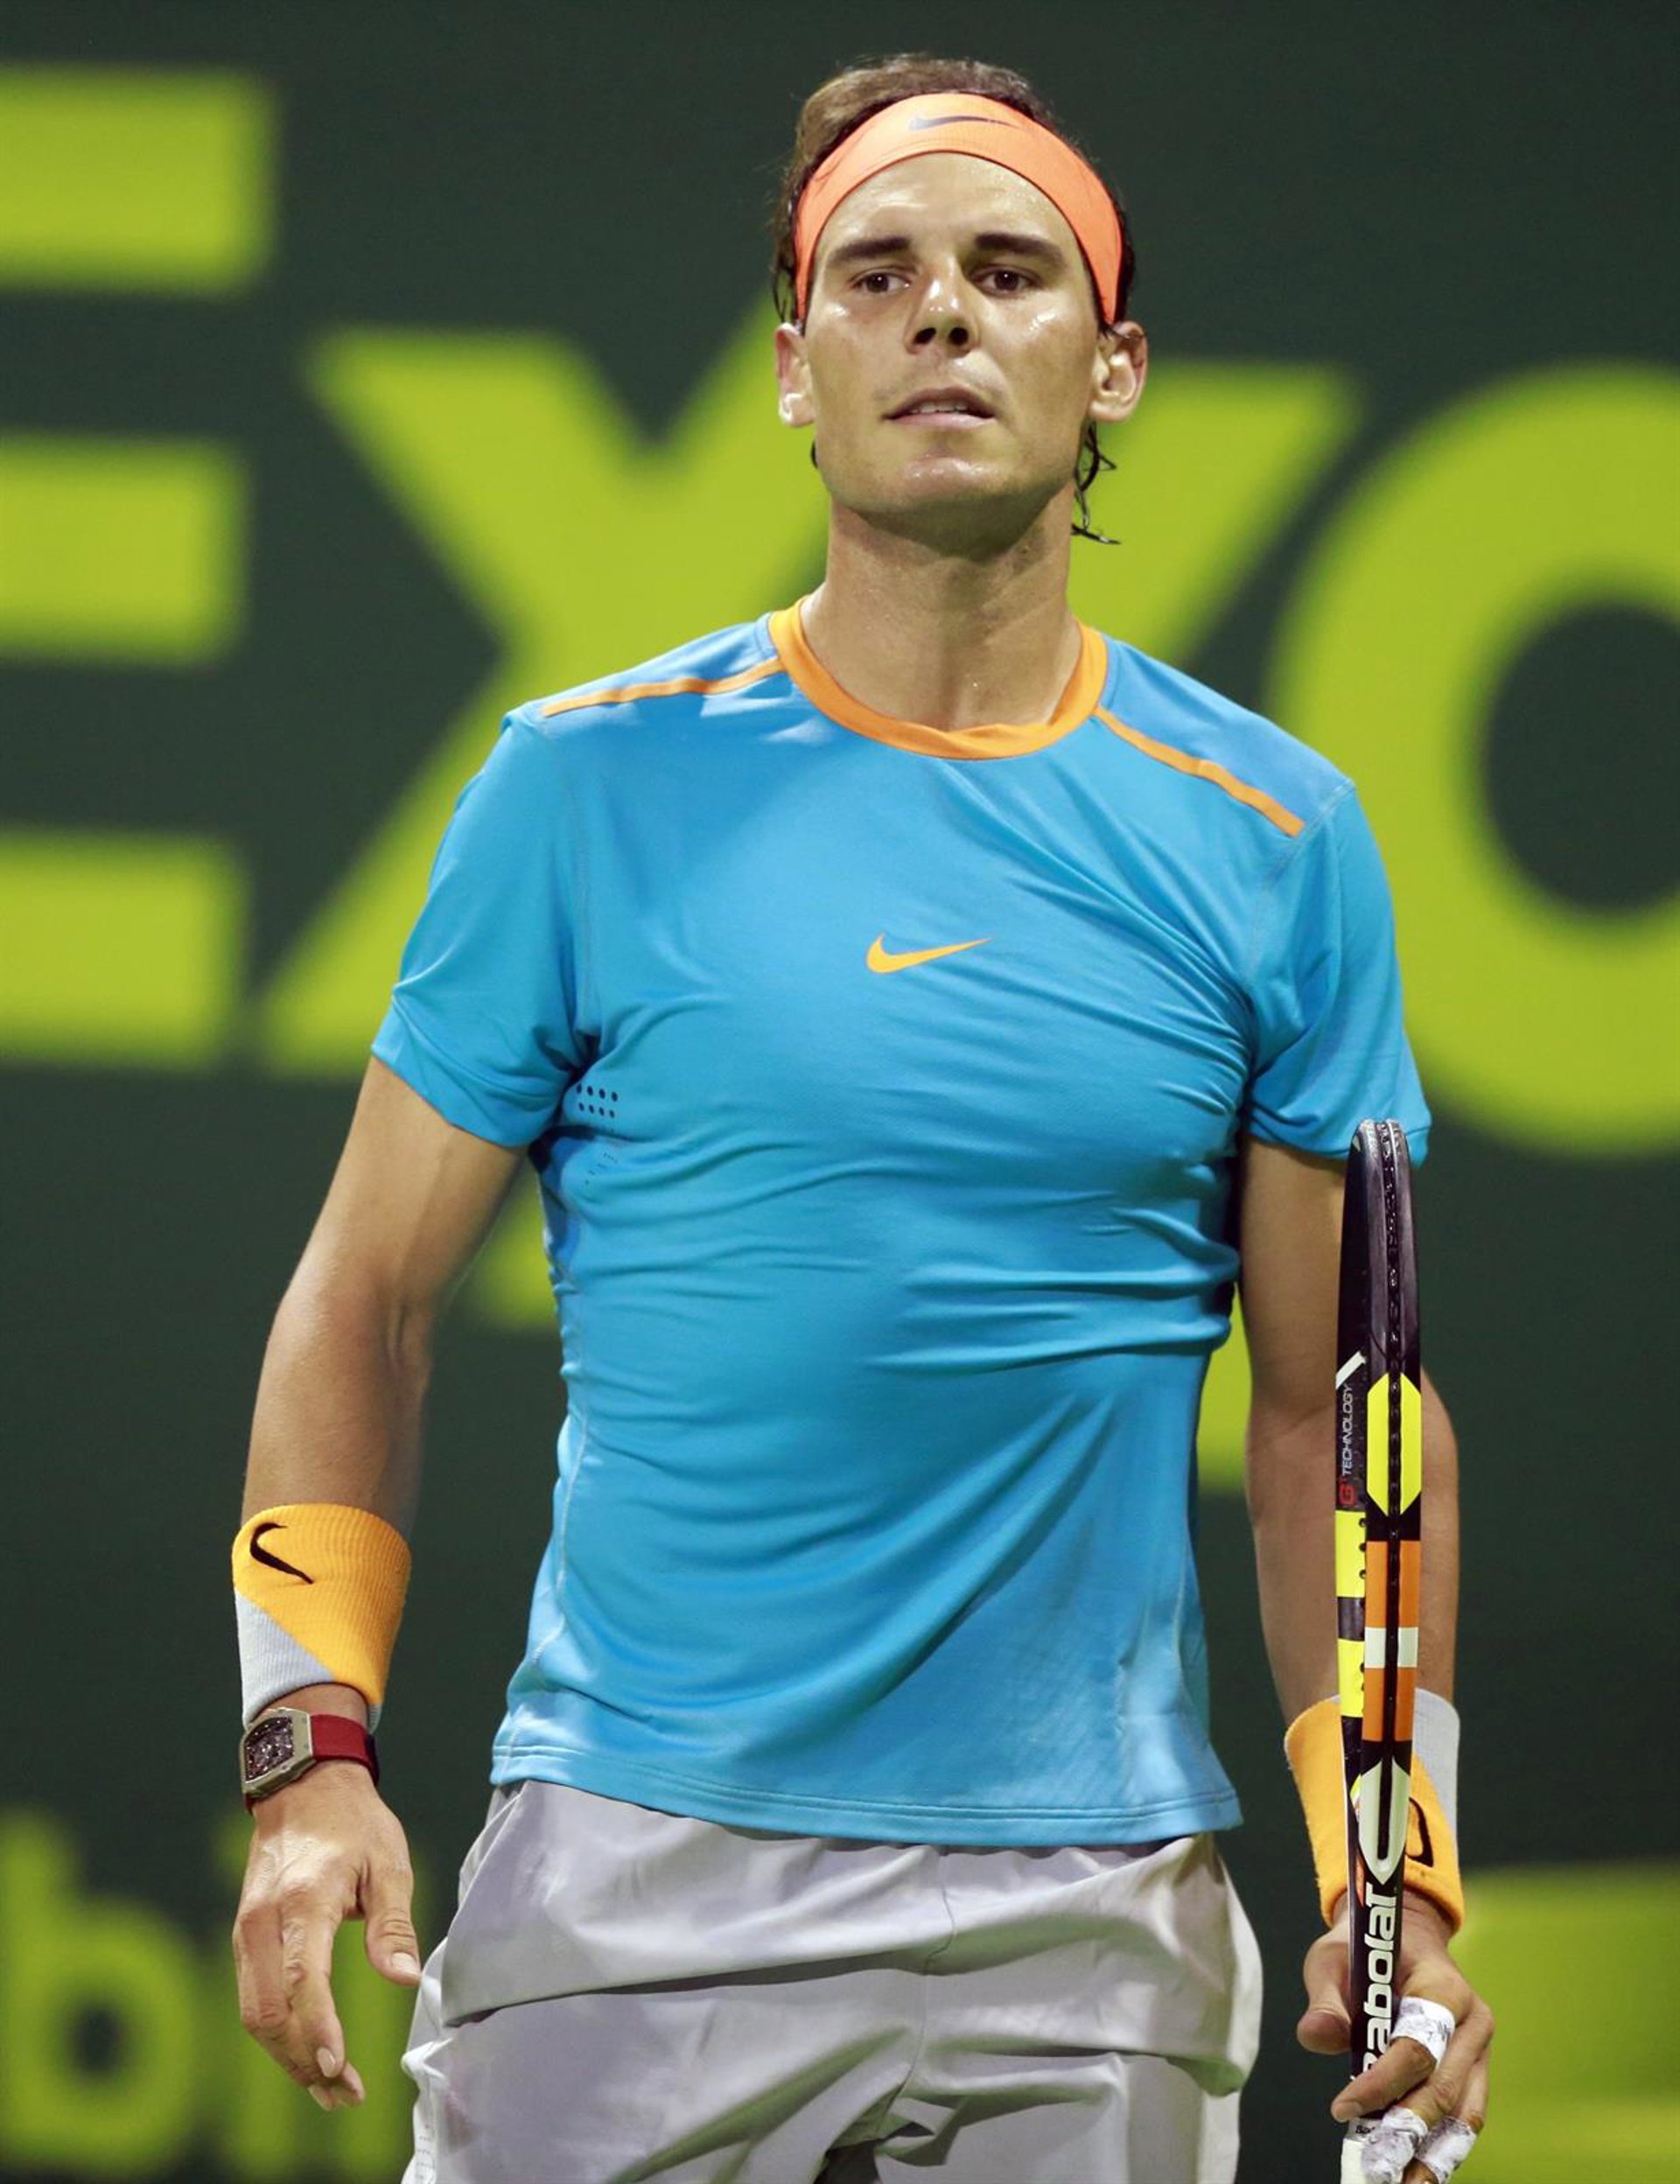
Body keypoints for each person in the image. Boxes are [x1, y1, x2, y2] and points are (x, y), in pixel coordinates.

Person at [229, 52, 1493, 2184]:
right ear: (794, 367)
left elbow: (1332, 1422)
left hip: (1095, 1923)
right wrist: (306, 1758)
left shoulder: (1279, 840)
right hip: (627, 1885)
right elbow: (363, 1300)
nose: (944, 316)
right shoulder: (580, 787)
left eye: (1010, 269)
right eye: (879, 274)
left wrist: (1401, 1881)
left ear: (1114, 368)